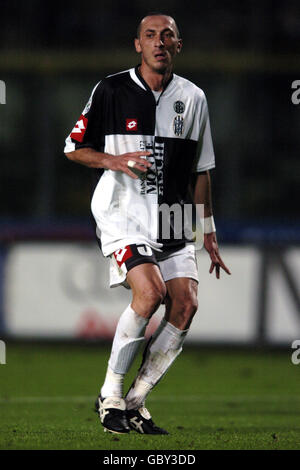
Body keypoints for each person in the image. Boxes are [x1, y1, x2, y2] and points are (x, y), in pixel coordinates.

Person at [64, 13, 231, 435]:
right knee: (151, 292)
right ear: (137, 44)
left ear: (178, 45)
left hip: (174, 217)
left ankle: (135, 401)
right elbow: (73, 148)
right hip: (123, 213)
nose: (159, 42)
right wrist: (113, 160)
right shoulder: (111, 89)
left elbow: (202, 170)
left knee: (186, 303)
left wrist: (206, 230)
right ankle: (111, 393)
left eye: (167, 36)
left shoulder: (193, 98)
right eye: (150, 36)